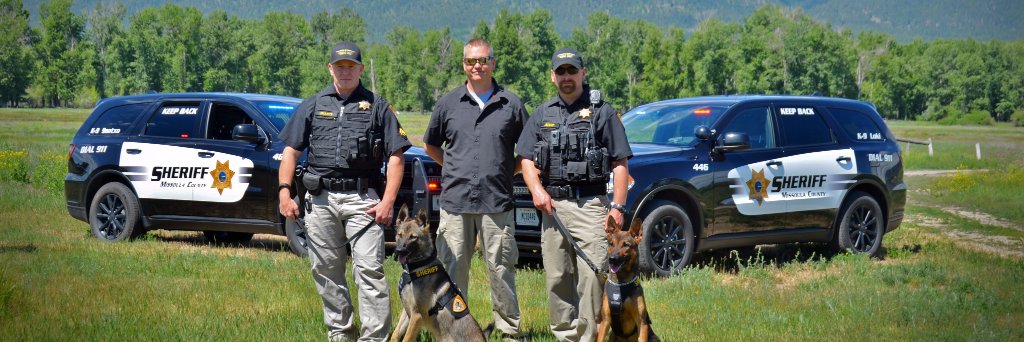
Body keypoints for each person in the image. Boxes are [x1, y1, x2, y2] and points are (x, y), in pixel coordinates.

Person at [278, 42, 410, 342]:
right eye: (340, 67)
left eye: (351, 67)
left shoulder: (378, 106)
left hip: (364, 200)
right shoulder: (313, 104)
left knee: (369, 270)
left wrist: (388, 201)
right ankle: (340, 334)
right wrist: (284, 192)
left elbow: (396, 156)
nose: (345, 72)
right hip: (320, 201)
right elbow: (290, 152)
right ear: (330, 68)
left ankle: (374, 338)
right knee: (326, 271)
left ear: (361, 69)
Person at [516, 48, 632, 342]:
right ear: (552, 76)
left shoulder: (602, 112)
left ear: (583, 73)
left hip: (590, 204)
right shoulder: (542, 113)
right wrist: (537, 190)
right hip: (552, 207)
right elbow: (526, 158)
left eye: (571, 71)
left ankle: (589, 336)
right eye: (561, 71)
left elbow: (620, 162)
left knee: (593, 275)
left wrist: (618, 207)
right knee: (558, 276)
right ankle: (565, 336)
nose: (566, 77)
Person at [422, 38, 527, 341]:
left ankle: (508, 332)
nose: (477, 66)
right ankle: (453, 331)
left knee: (501, 269)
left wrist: (507, 172)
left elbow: (529, 151)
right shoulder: (448, 104)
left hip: (497, 201)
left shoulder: (511, 104)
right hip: (456, 202)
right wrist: (454, 168)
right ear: (463, 64)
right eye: (471, 61)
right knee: (451, 273)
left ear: (493, 63)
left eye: (482, 60)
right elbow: (430, 145)